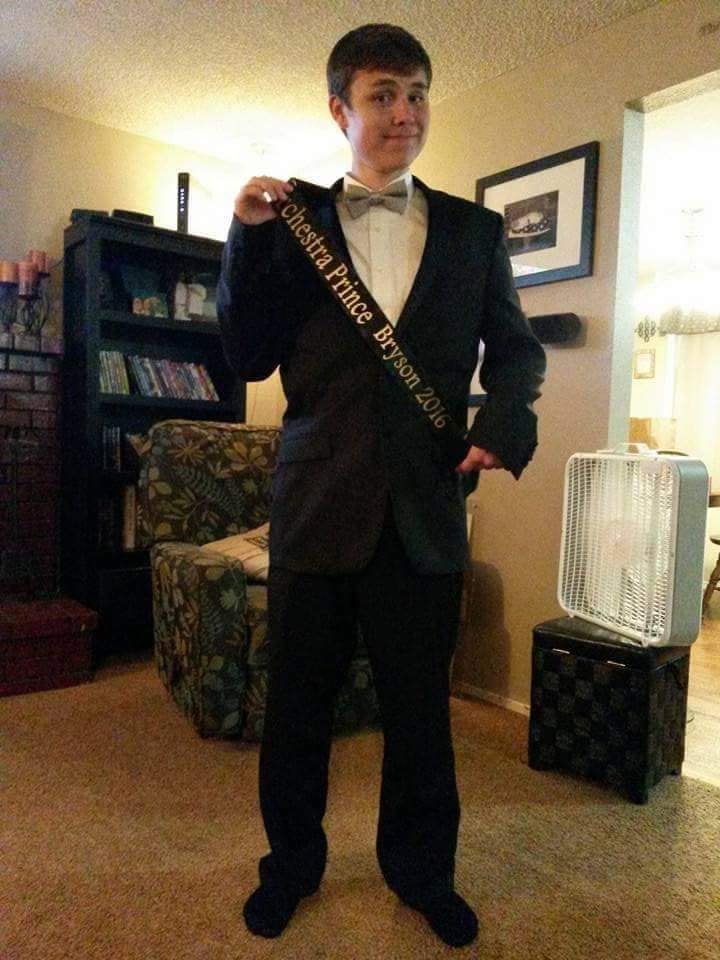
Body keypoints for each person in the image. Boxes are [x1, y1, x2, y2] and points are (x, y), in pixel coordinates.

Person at [217, 23, 545, 949]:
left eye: (417, 93)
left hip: (424, 509)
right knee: (297, 713)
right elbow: (247, 355)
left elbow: (516, 352)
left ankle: (423, 873)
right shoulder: (291, 223)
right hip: (317, 504)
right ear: (340, 110)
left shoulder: (477, 232)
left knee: (420, 717)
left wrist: (503, 424)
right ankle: (290, 868)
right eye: (382, 95)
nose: (405, 112)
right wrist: (242, 243)